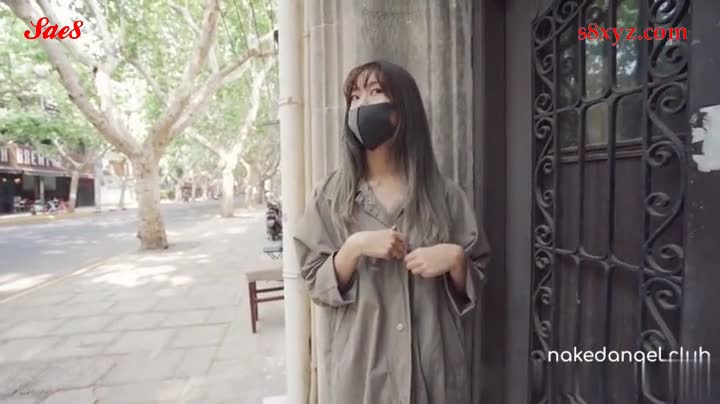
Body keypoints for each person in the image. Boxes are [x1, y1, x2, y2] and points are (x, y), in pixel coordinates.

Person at [293, 60, 491, 404]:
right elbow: (314, 281)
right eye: (354, 97)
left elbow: (476, 279)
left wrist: (456, 260)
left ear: (403, 108)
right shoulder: (331, 196)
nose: (362, 105)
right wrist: (353, 248)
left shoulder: (445, 195)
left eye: (375, 92)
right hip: (364, 376)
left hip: (433, 373)